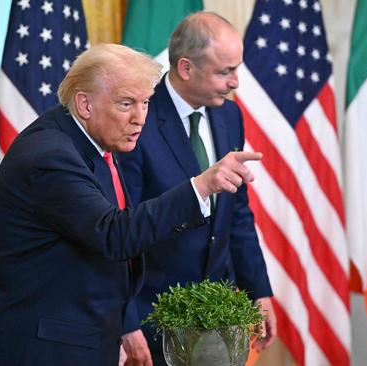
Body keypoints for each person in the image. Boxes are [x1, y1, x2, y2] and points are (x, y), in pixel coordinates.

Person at [0, 43, 262, 366]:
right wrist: (201, 186)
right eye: (126, 104)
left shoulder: (93, 144)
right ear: (85, 104)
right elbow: (114, 234)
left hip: (80, 339)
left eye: (145, 103)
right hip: (40, 348)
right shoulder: (51, 156)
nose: (140, 118)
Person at [118, 12, 277, 366]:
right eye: (225, 72)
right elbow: (121, 229)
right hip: (151, 318)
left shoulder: (228, 116)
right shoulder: (136, 119)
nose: (236, 82)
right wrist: (125, 323)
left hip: (217, 319)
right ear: (186, 68)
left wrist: (259, 290)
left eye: (236, 69)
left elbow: (237, 214)